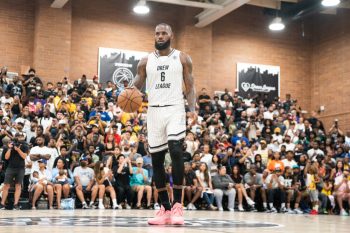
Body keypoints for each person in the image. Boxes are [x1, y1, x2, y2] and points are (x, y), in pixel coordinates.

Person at [132, 23, 196, 225]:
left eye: (164, 33)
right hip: (154, 111)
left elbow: (191, 85)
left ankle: (178, 206)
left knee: (176, 149)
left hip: (175, 107)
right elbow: (137, 83)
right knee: (157, 159)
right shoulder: (145, 61)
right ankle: (164, 208)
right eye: (157, 33)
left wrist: (192, 109)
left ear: (171, 35)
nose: (160, 36)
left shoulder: (183, 58)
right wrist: (127, 93)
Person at [0, 137, 28, 210]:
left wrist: (18, 149)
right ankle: (2, 204)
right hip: (10, 168)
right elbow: (6, 158)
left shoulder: (24, 146)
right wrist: (9, 148)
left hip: (20, 168)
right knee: (6, 185)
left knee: (18, 185)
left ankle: (16, 204)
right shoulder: (7, 146)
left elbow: (24, 156)